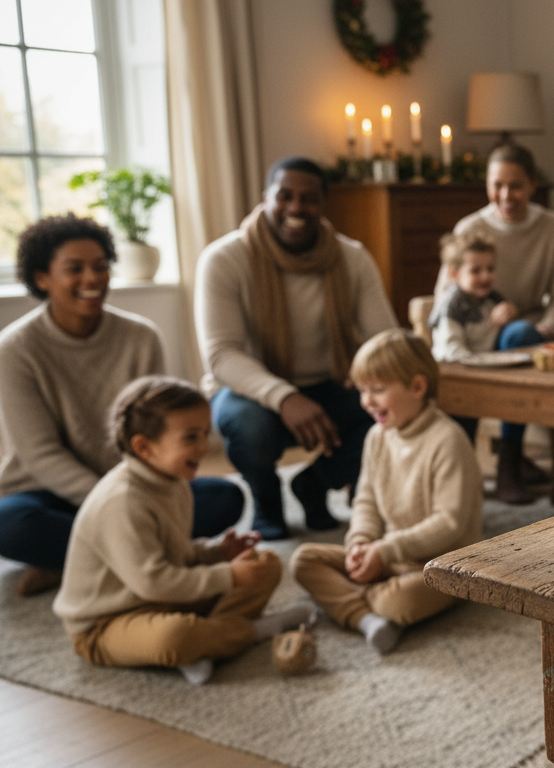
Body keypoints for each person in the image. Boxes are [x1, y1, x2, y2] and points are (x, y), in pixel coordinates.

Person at [0, 215, 243, 597]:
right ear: (41, 277)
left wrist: (137, 498)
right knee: (10, 523)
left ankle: (74, 562)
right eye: (74, 269)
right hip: (49, 491)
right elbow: (40, 455)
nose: (93, 279)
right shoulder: (14, 350)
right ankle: (130, 555)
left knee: (226, 497)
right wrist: (113, 508)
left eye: (101, 267)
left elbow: (155, 430)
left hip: (137, 482)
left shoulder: (141, 336)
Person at [53, 376, 313, 685]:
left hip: (164, 598)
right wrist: (227, 575)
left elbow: (179, 553)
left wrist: (218, 554)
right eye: (191, 438)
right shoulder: (122, 502)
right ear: (143, 447)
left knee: (264, 564)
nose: (204, 447)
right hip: (107, 623)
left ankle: (206, 643)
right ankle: (254, 631)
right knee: (175, 637)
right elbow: (153, 581)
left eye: (205, 434)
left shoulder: (174, 483)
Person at [197, 157, 398, 540]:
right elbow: (221, 356)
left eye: (308, 199)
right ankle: (266, 499)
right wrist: (285, 397)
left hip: (330, 383)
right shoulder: (223, 259)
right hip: (249, 392)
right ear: (265, 198)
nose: (296, 208)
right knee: (249, 425)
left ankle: (315, 483)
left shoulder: (351, 257)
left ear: (323, 204)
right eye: (284, 196)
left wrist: (369, 374)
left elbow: (383, 340)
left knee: (392, 407)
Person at [291, 330, 482, 654]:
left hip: (439, 566)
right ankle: (369, 618)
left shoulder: (448, 440)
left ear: (418, 387)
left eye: (377, 390)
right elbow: (366, 500)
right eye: (363, 390)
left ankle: (352, 605)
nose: (366, 401)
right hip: (386, 554)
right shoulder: (376, 438)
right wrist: (361, 544)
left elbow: (449, 523)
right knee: (303, 561)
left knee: (399, 601)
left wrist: (386, 551)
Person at [433, 143, 554, 504]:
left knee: (522, 335)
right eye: (497, 185)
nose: (505, 195)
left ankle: (510, 456)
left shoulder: (553, 228)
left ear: (532, 185)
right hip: (475, 335)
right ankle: (492, 466)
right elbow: (444, 299)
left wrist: (545, 331)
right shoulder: (472, 228)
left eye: (516, 186)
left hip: (527, 330)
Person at [428, 233, 506, 362]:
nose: (485, 276)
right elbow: (451, 348)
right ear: (454, 274)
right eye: (476, 271)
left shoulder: (493, 299)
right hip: (458, 369)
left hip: (486, 363)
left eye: (490, 269)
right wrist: (477, 362)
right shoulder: (452, 306)